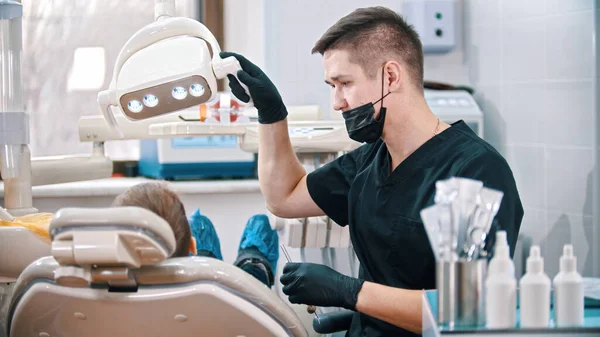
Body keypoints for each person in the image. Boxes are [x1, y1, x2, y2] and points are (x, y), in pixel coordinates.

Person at [220, 6, 524, 337]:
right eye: (331, 86)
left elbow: (468, 310)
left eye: (344, 83)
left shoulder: (475, 171)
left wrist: (349, 293)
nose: (337, 102)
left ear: (391, 76)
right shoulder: (370, 160)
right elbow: (285, 196)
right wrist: (271, 113)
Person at [112, 182, 279, 288]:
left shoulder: (96, 298)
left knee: (198, 225)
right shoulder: (218, 306)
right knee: (201, 225)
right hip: (229, 307)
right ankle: (253, 269)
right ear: (192, 246)